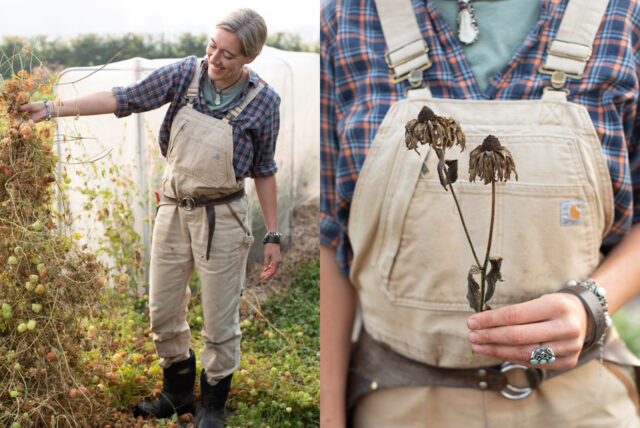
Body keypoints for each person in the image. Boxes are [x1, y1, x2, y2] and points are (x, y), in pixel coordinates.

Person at [320, 0, 640, 427]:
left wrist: (590, 306)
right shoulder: (347, 17)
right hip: (401, 393)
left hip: (572, 389)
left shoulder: (621, 14)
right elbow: (330, 238)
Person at [22, 8, 282, 427]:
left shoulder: (264, 102)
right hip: (175, 209)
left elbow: (265, 169)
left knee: (219, 316)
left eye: (228, 55)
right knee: (162, 309)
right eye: (212, 46)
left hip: (223, 216)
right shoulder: (185, 75)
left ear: (249, 59)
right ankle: (177, 393)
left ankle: (213, 405)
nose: (214, 59)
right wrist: (52, 109)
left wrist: (273, 234)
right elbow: (122, 98)